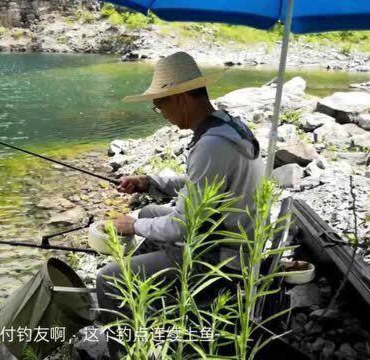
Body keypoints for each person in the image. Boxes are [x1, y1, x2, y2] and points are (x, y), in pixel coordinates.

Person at [95, 51, 265, 359]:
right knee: (148, 210)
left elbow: (183, 225)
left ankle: (127, 350)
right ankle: (152, 300)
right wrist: (151, 182)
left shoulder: (211, 145)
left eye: (160, 104)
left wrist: (133, 225)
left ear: (182, 98)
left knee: (107, 278)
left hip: (220, 255)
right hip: (235, 235)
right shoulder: (226, 126)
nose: (161, 112)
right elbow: (204, 186)